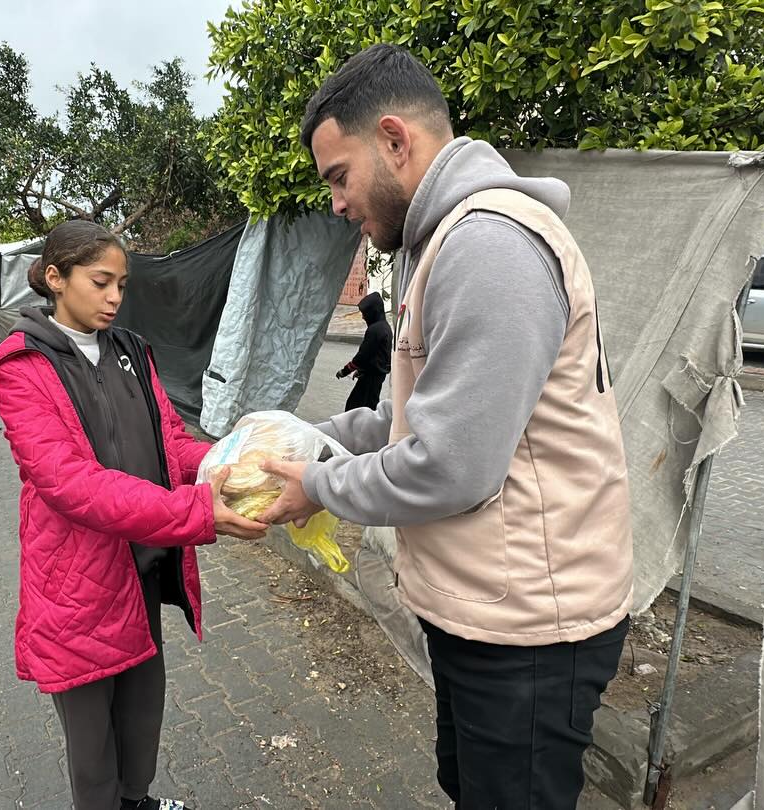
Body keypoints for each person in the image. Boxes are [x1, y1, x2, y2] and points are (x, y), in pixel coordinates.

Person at [259, 44, 634, 810]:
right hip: (489, 615)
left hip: (531, 631)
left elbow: (450, 466)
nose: (335, 204)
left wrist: (318, 486)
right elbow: (408, 419)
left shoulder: (486, 244)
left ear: (395, 140)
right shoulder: (440, 243)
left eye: (339, 176)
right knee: (467, 786)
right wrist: (304, 440)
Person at [0, 220, 268, 810]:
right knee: (91, 733)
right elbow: (70, 484)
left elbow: (169, 442)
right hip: (78, 579)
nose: (114, 298)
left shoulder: (130, 351)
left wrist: (232, 461)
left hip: (142, 567)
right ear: (55, 278)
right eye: (101, 282)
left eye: (122, 286)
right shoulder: (22, 368)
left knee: (140, 706)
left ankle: (138, 801)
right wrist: (194, 512)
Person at [335, 291, 392, 412]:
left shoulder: (375, 330)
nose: (363, 317)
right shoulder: (384, 327)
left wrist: (345, 371)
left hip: (372, 376)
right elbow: (375, 355)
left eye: (365, 313)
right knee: (367, 405)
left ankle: (358, 430)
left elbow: (362, 356)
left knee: (356, 408)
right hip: (375, 375)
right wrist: (361, 370)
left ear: (373, 312)